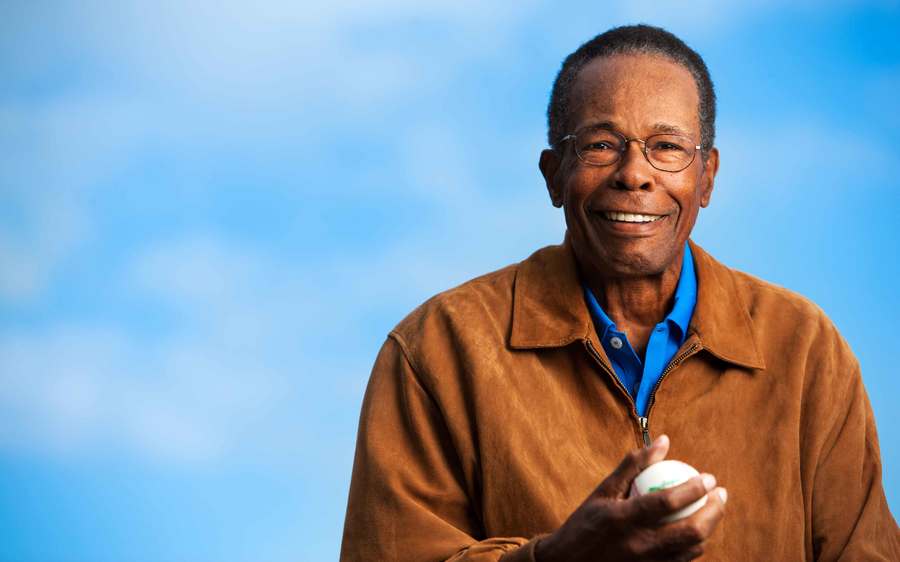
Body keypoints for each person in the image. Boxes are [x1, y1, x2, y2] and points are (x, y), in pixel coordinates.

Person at [339, 24, 899, 561]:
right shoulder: (437, 349)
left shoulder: (803, 348)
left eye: (667, 146)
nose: (635, 174)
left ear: (707, 177)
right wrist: (555, 559)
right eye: (601, 145)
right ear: (553, 175)